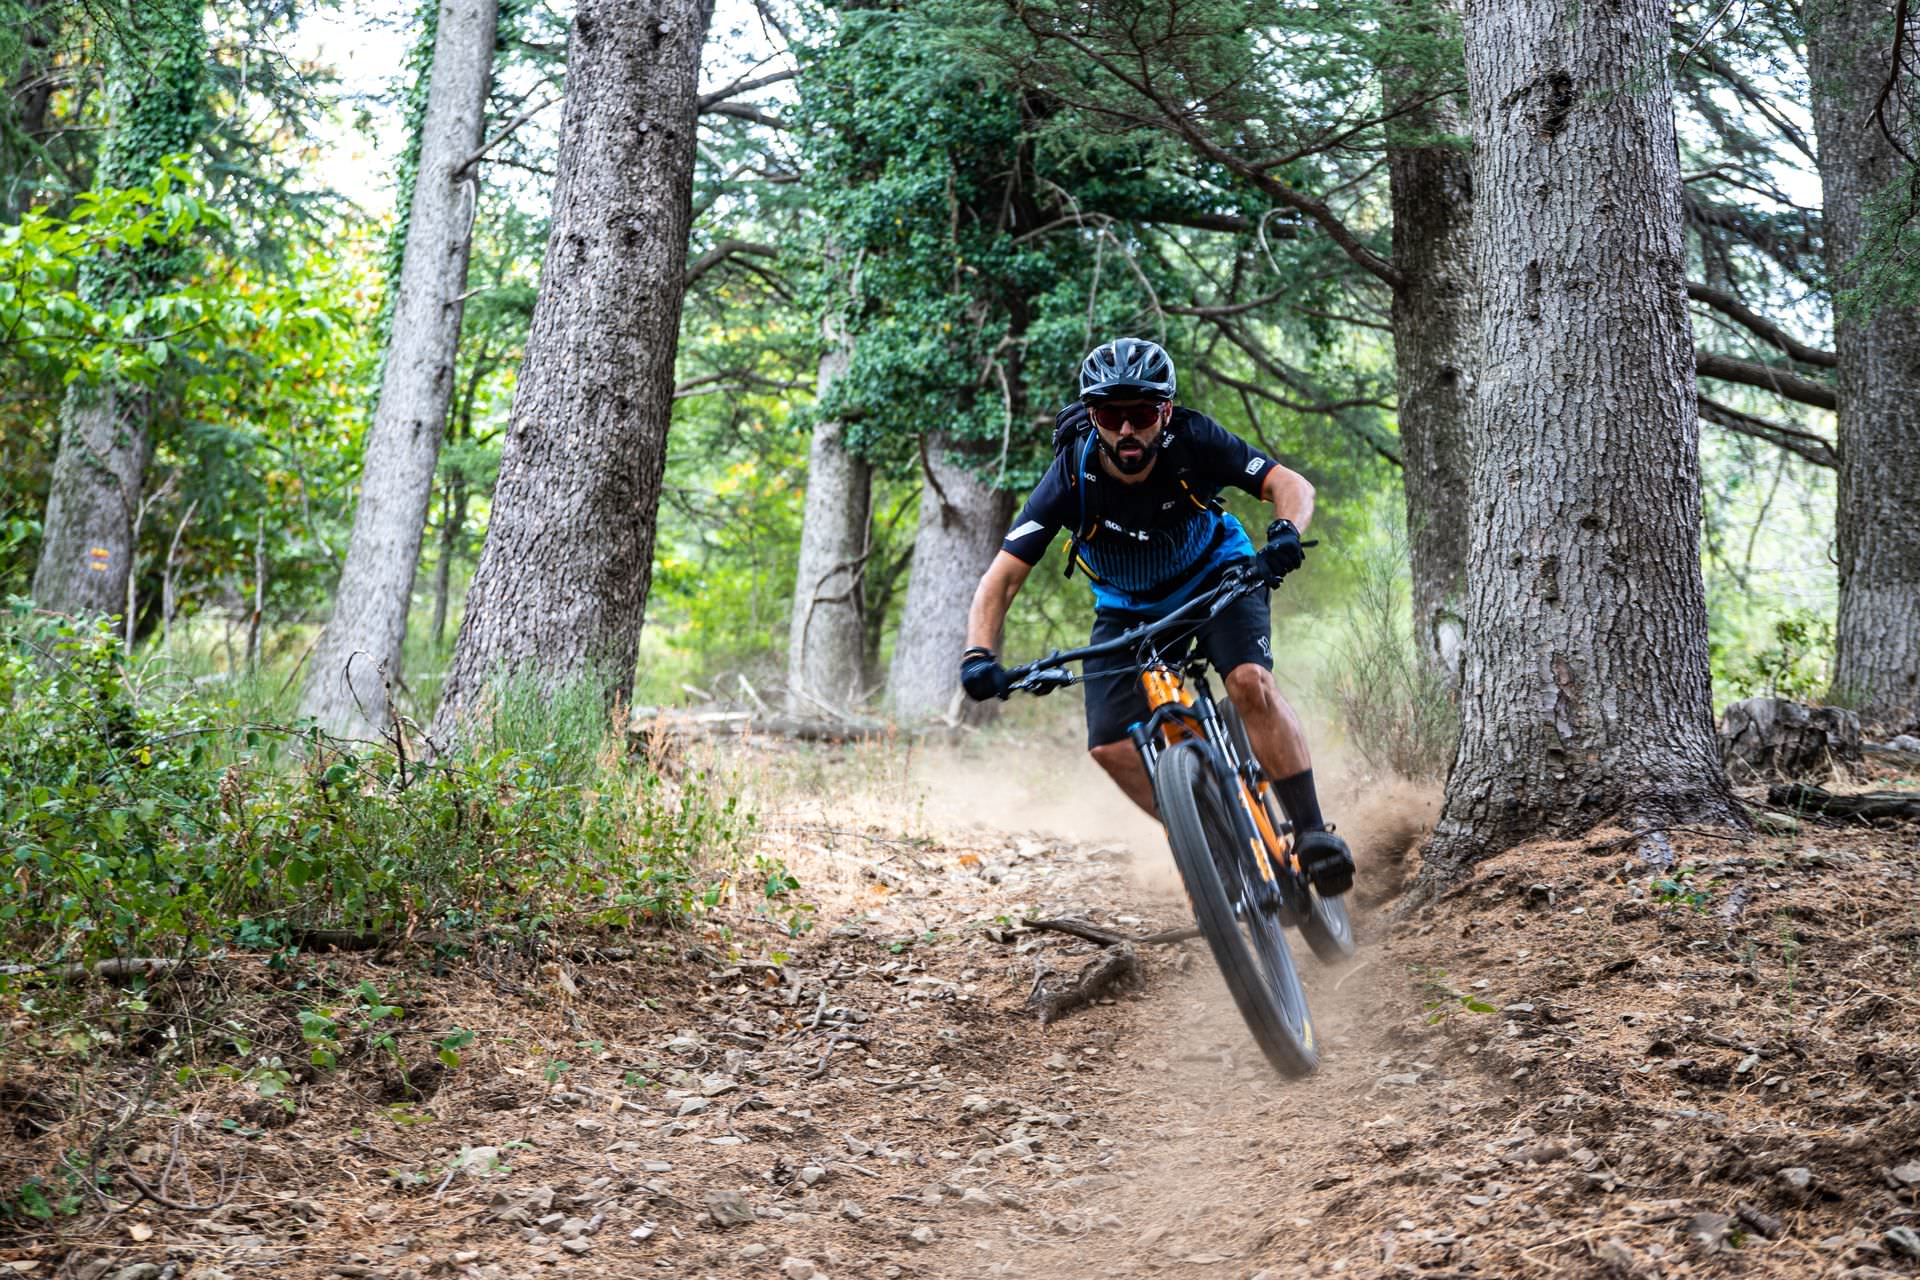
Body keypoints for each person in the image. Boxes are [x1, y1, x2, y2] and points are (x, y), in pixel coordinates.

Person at [957, 337, 1354, 896]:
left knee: (1247, 682)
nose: (1126, 431)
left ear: (1164, 411)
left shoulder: (1194, 439)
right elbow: (1001, 577)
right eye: (1109, 416)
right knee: (1108, 745)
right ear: (1092, 416)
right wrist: (978, 656)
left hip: (1217, 577)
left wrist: (1286, 533)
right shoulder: (1070, 475)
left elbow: (1290, 485)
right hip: (1128, 608)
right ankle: (1204, 835)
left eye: (1140, 414)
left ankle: (1313, 833)